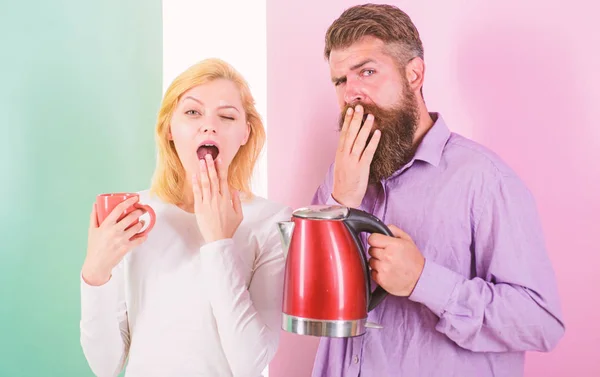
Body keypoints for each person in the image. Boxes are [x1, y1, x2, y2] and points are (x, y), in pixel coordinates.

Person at [310, 4, 565, 377]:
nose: (351, 93)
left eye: (366, 71)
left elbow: (541, 322)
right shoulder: (340, 178)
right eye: (339, 81)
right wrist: (341, 202)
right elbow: (311, 301)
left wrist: (423, 281)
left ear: (414, 74)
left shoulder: (485, 180)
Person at [79, 58, 291, 377]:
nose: (209, 125)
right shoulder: (135, 216)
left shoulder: (271, 221)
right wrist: (95, 273)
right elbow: (104, 365)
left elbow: (250, 362)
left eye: (227, 115)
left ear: (246, 133)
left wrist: (219, 242)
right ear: (169, 130)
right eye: (192, 112)